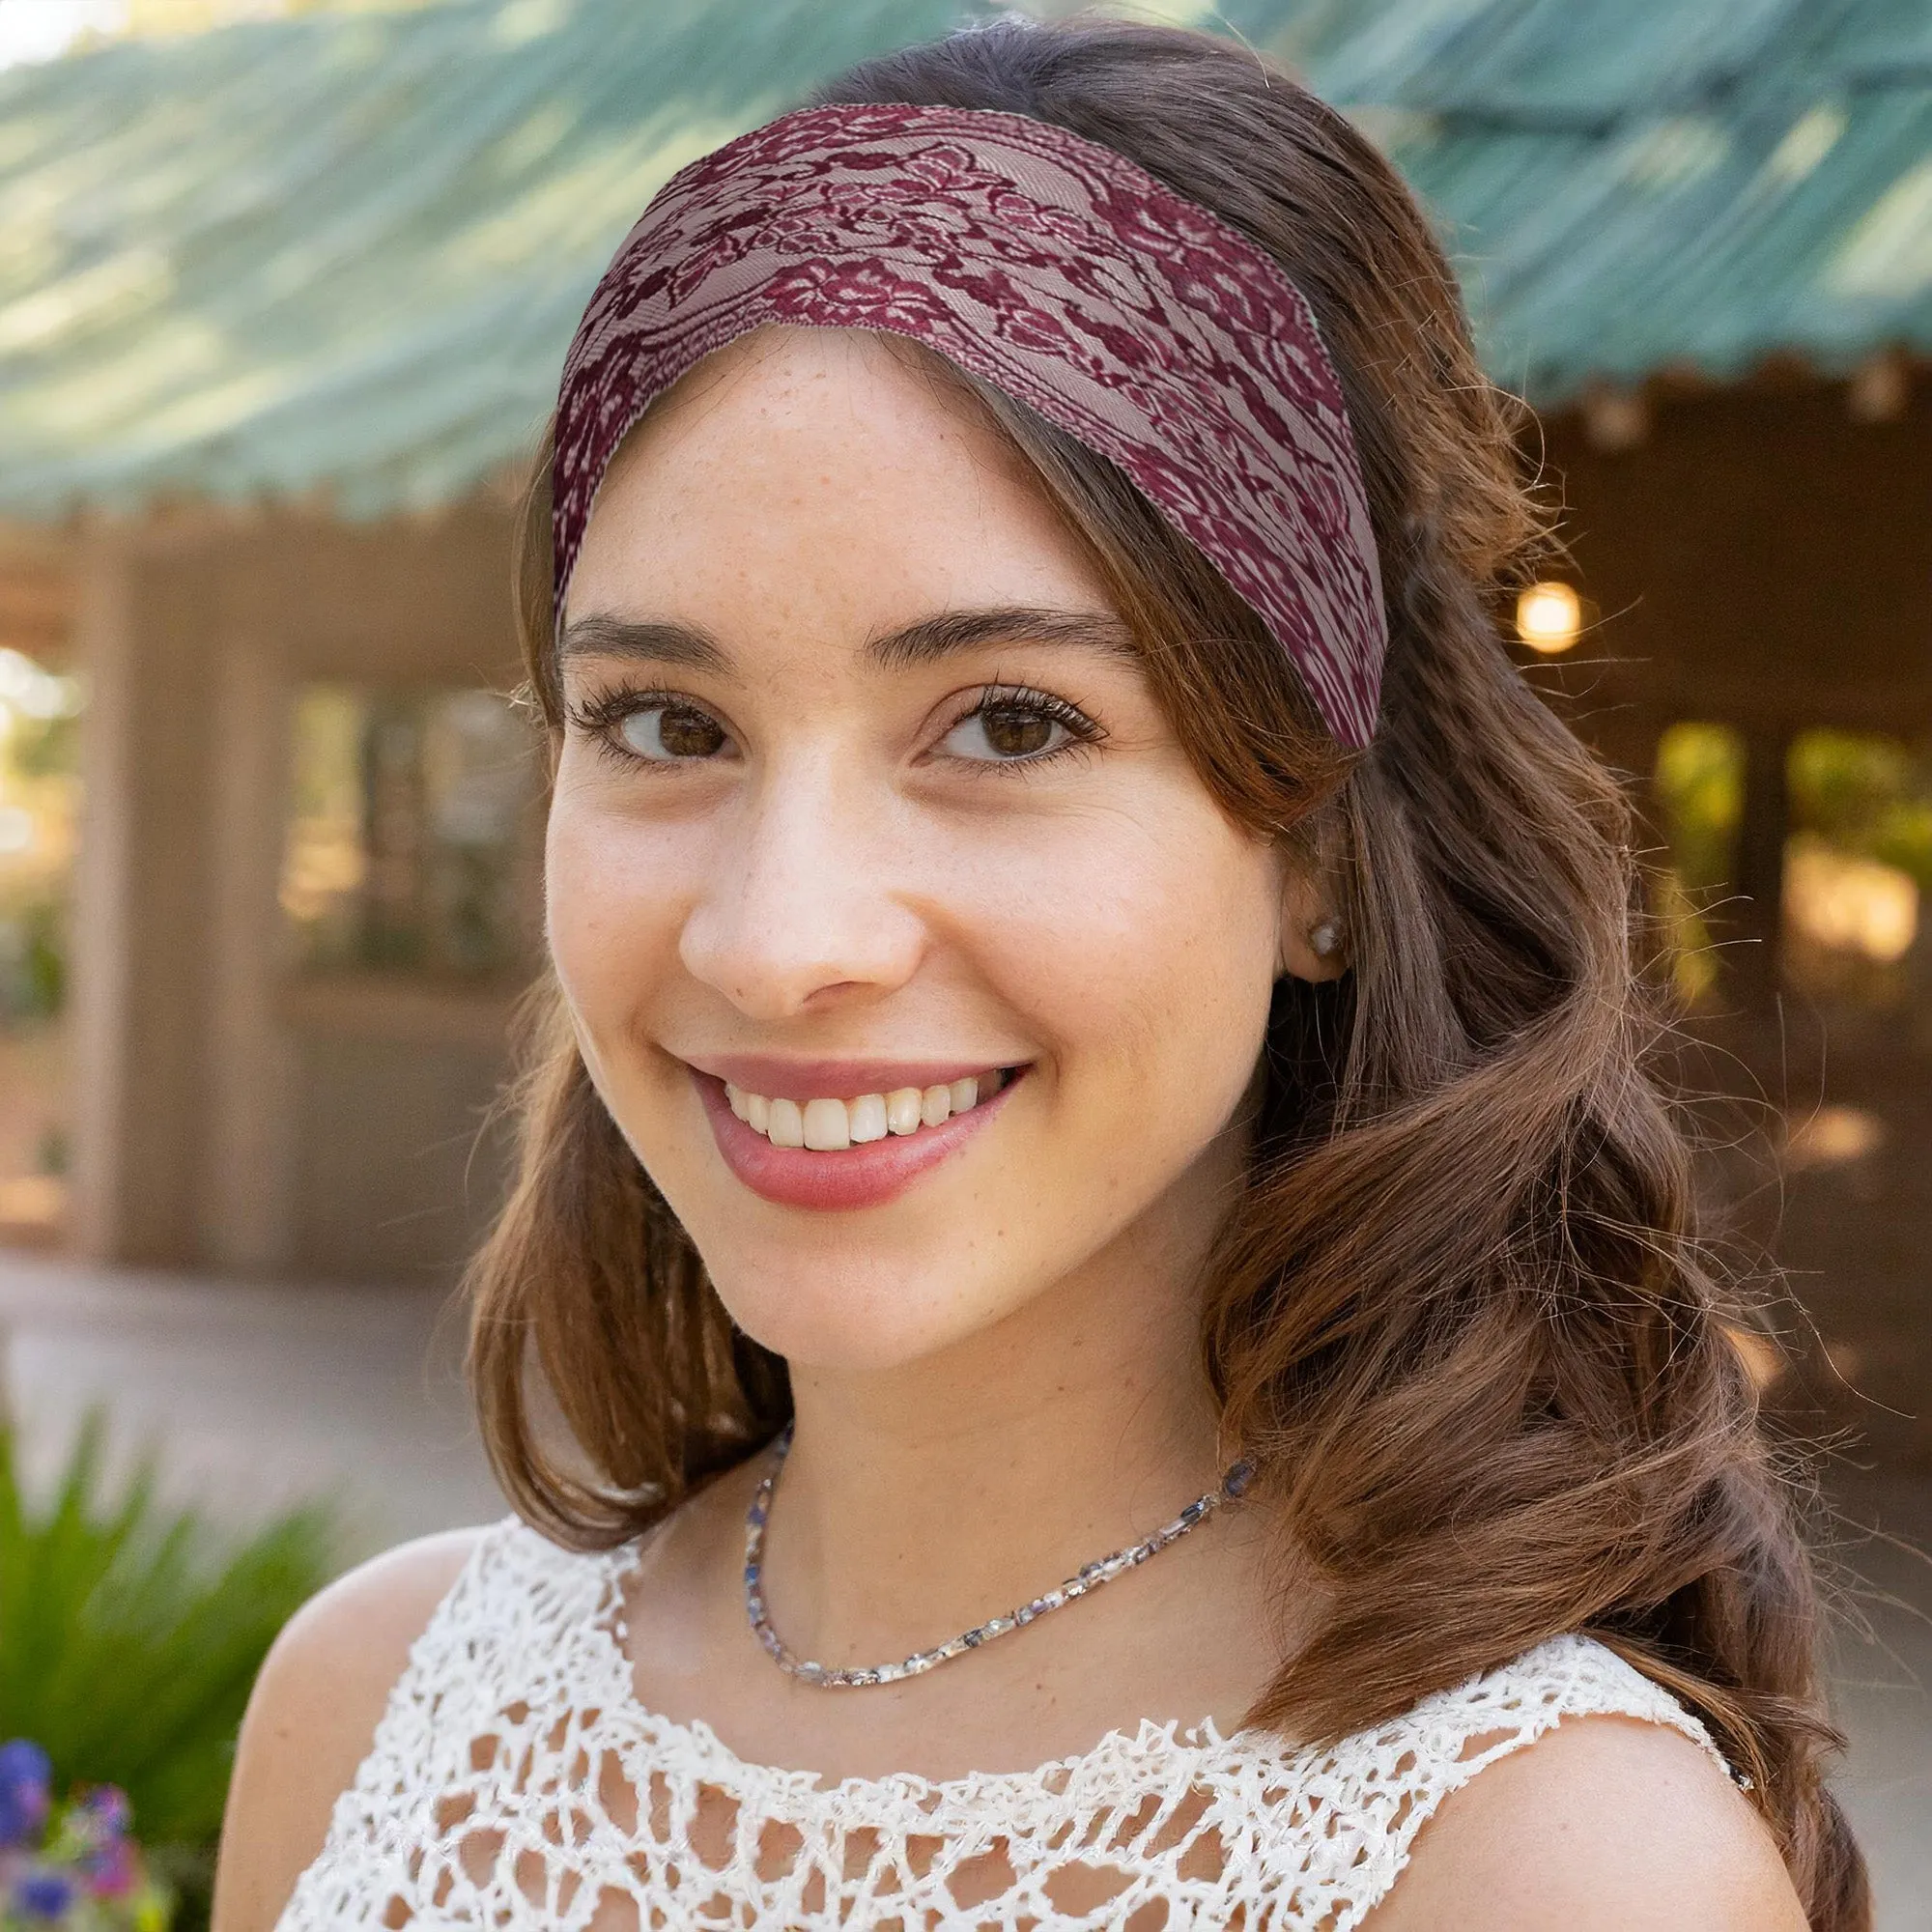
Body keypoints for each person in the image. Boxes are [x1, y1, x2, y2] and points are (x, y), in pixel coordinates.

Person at [212, 15, 1865, 1929]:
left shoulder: (1538, 1867)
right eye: (668, 723)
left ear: (1318, 851)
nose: (780, 937)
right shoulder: (375, 1718)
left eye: (1005, 726)